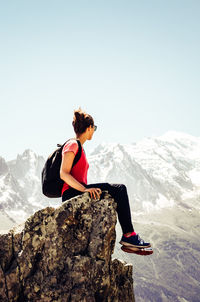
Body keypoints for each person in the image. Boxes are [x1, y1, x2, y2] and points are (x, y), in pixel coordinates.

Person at [60, 108, 151, 249]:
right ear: (89, 128)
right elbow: (63, 173)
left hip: (77, 191)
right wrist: (85, 189)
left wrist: (86, 189)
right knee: (120, 189)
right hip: (71, 193)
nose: (94, 131)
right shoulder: (72, 144)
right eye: (94, 128)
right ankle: (129, 235)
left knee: (114, 192)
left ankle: (129, 240)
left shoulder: (79, 147)